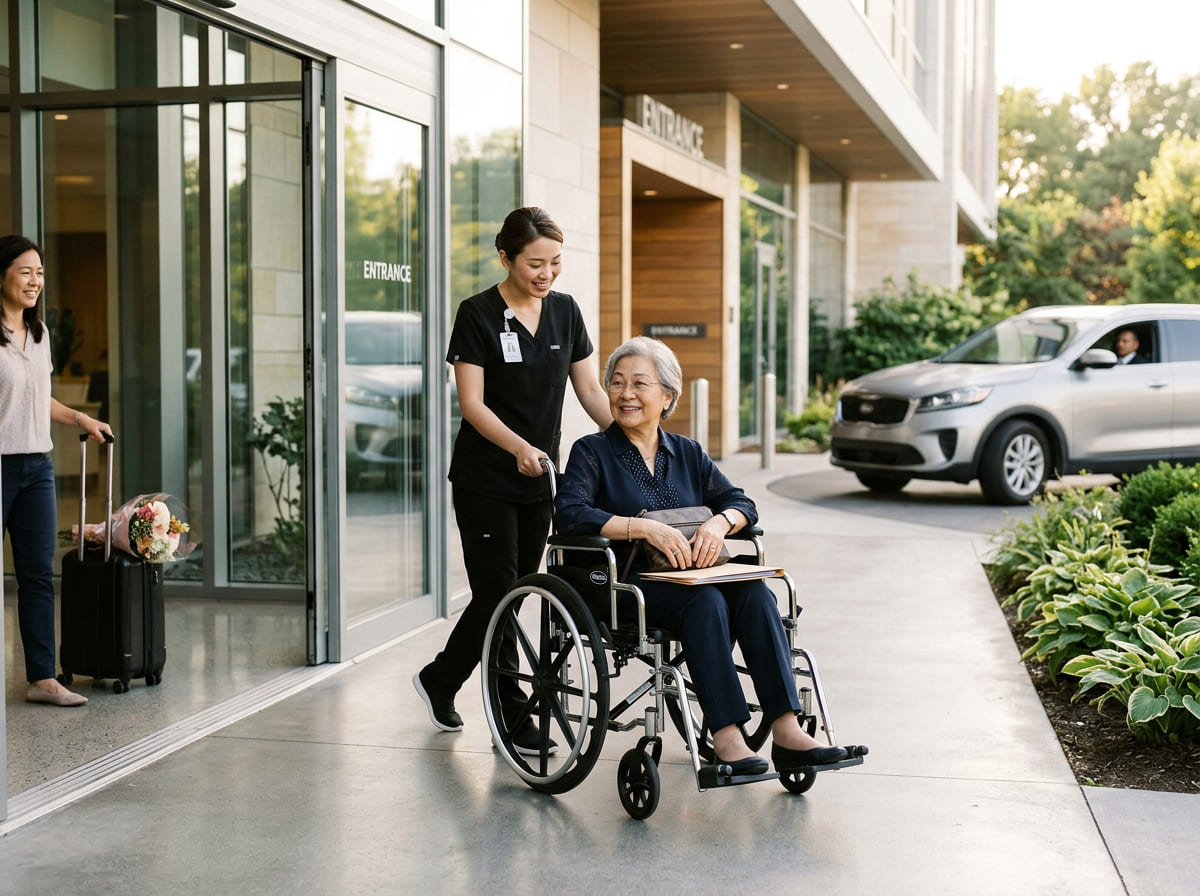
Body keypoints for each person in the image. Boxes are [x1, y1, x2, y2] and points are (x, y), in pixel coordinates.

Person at [554, 336, 851, 775]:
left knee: (754, 591)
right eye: (617, 384)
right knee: (708, 602)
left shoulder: (687, 452)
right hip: (628, 585)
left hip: (694, 576)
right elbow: (570, 513)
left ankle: (786, 729)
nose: (625, 394)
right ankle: (726, 735)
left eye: (640, 384)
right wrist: (641, 526)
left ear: (667, 396)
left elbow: (741, 502)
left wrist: (719, 523)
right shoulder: (593, 451)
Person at [413, 207, 612, 753]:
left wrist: (629, 439)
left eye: (554, 263)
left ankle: (440, 677)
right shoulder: (476, 314)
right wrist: (520, 447)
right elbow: (472, 405)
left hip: (540, 480)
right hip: (485, 479)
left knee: (516, 593)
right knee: (498, 593)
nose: (546, 274)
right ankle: (513, 716)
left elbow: (590, 390)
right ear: (505, 257)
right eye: (534, 264)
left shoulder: (566, 313)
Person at [0, 234, 113, 707]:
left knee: (38, 576)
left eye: (40, 272)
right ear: (1, 275)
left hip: (36, 468)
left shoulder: (40, 335)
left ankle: (43, 678)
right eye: (25, 270)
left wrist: (80, 418)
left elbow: (37, 398)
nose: (35, 281)